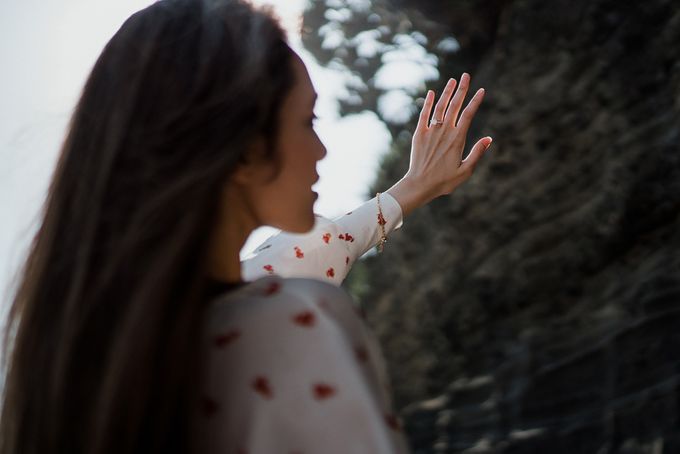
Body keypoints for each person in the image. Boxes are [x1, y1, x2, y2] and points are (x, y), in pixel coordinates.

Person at [0, 0, 492, 453]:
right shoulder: (285, 324)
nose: (321, 150)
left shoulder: (82, 362)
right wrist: (410, 191)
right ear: (242, 150)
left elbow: (311, 251)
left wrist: (411, 189)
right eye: (307, 121)